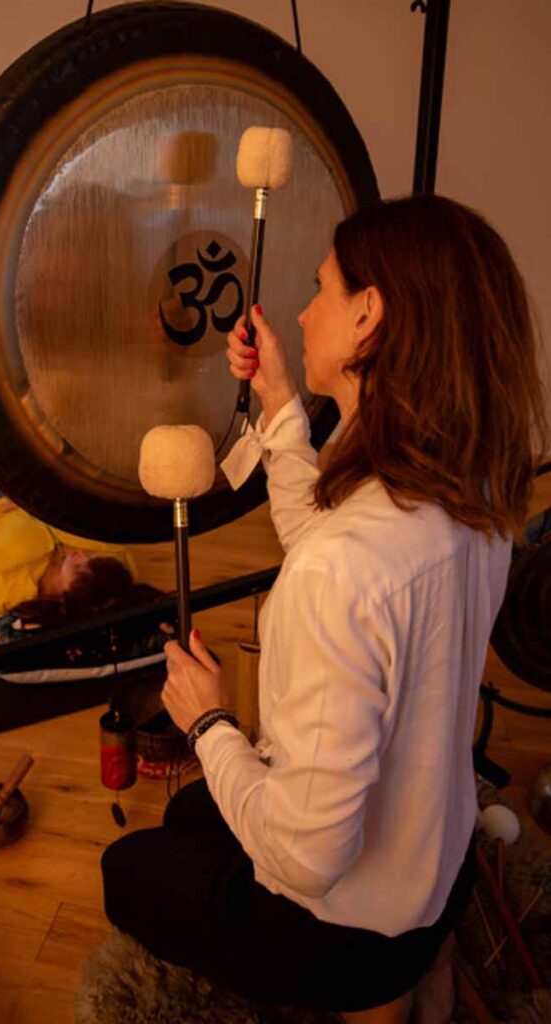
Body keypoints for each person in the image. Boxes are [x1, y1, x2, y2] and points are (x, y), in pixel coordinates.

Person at [99, 194, 549, 1021]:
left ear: (368, 315)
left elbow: (306, 860)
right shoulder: (471, 488)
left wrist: (208, 722)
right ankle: (426, 967)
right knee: (197, 813)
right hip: (437, 863)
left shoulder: (341, 572)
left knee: (127, 871)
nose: (304, 314)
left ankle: (382, 995)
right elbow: (325, 537)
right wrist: (278, 403)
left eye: (320, 289)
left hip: (347, 933)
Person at [0, 431, 139, 622]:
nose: (81, 555)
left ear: (65, 597)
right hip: (29, 501)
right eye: (92, 559)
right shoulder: (114, 571)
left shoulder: (5, 592)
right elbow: (82, 508)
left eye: (77, 568)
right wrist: (33, 506)